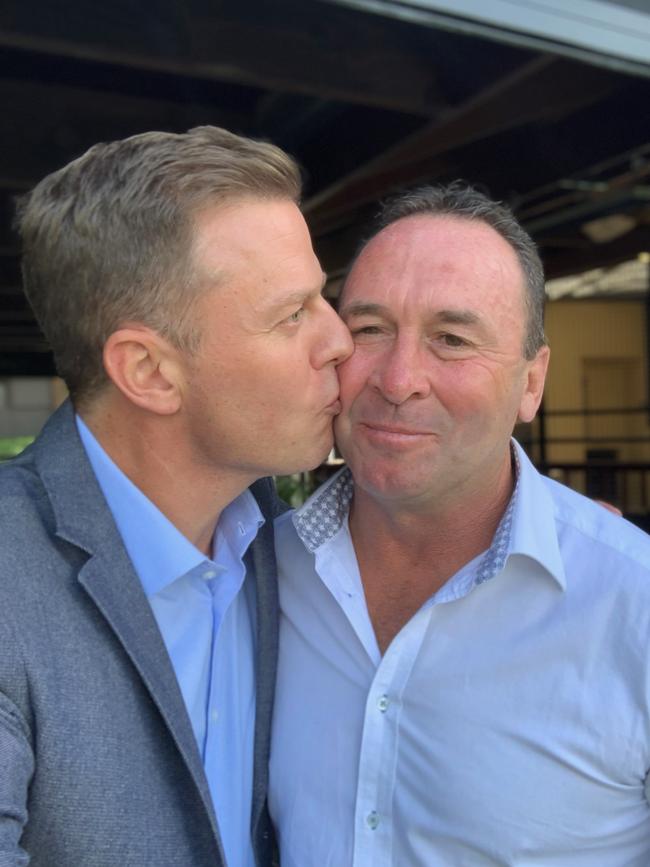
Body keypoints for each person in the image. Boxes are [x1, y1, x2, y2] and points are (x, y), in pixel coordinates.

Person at [0, 126, 352, 867]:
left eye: (323, 299)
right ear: (150, 371)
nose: (341, 340)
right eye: (292, 315)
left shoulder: (293, 548)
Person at [270, 183, 650, 866]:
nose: (398, 377)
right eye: (369, 330)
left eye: (452, 338)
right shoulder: (257, 576)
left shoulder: (632, 605)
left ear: (532, 383)